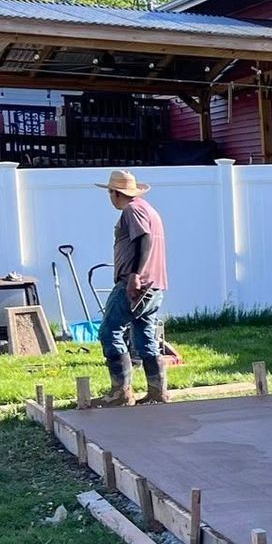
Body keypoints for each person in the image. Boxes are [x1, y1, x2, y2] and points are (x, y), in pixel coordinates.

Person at [96, 169, 170, 406]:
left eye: (110, 193)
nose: (110, 197)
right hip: (155, 284)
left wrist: (134, 275)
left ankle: (121, 393)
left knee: (109, 331)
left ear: (116, 193)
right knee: (144, 336)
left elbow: (144, 238)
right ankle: (157, 392)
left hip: (136, 283)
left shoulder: (132, 210)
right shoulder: (149, 210)